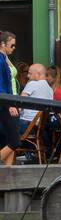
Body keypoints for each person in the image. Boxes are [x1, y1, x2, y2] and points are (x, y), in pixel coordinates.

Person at [0, 30, 21, 167]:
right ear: (3, 44)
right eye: (12, 45)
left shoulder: (3, 59)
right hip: (4, 104)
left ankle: (8, 176)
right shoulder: (0, 60)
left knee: (7, 140)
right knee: (14, 141)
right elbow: (1, 86)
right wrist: (10, 105)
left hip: (7, 103)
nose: (14, 48)